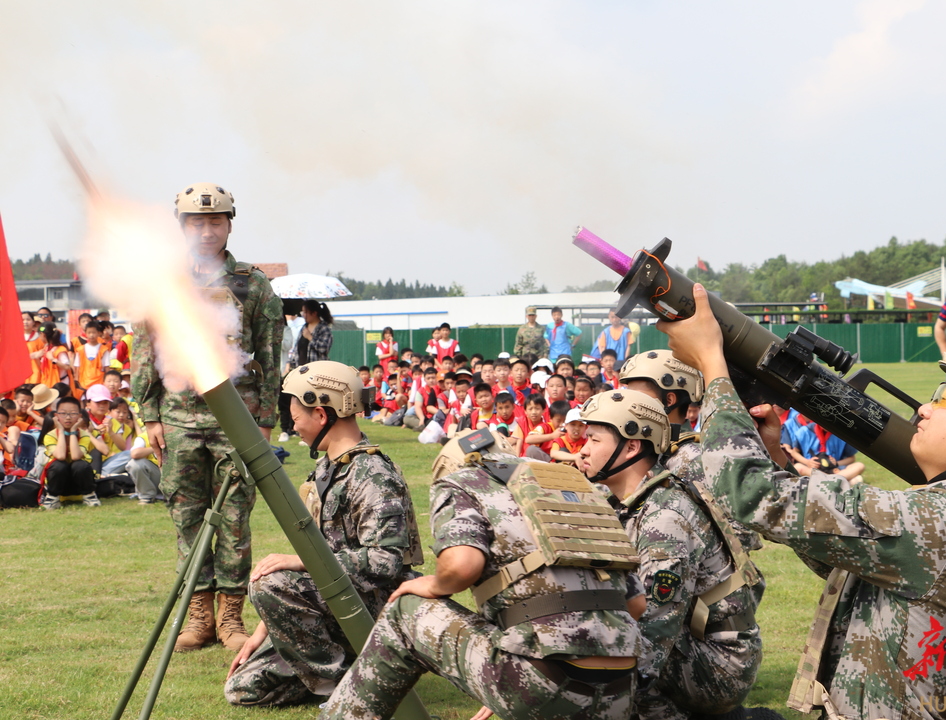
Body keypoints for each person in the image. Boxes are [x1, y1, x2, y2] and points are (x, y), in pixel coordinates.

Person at [661, 282, 946, 720]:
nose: (925, 409)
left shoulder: (943, 521)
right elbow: (844, 556)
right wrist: (779, 463)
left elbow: (748, 493)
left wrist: (712, 364)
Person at [318, 424, 646, 720]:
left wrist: (434, 584)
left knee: (405, 611)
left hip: (542, 680)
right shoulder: (579, 491)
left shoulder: (463, 480)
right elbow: (634, 605)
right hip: (620, 689)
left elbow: (462, 565)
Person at [132, 182, 283, 652]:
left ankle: (231, 618)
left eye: (215, 220)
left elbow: (271, 356)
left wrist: (265, 419)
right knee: (187, 518)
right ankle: (198, 615)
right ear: (182, 227)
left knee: (235, 519)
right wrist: (150, 413)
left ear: (229, 224)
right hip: (178, 421)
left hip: (236, 422)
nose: (206, 230)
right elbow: (146, 351)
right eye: (196, 222)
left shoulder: (253, 284)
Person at [225, 361, 423, 707]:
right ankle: (351, 673)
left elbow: (385, 562)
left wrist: (301, 562)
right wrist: (265, 628)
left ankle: (346, 689)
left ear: (320, 414)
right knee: (244, 688)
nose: (294, 427)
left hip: (374, 604)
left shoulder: (372, 474)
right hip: (334, 602)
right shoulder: (328, 467)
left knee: (270, 582)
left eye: (295, 417)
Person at [611, 354, 766, 717]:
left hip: (702, 619)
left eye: (638, 396)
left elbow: (745, 533)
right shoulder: (650, 455)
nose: (628, 405)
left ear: (668, 401)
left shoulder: (696, 458)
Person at [39, 396, 108, 508]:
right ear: (56, 416)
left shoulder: (84, 435)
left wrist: (72, 431)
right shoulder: (50, 436)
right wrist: (61, 431)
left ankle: (89, 496)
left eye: (73, 413)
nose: (68, 417)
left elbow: (76, 456)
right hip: (59, 485)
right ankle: (53, 498)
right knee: (58, 465)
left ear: (79, 417)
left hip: (79, 485)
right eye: (63, 413)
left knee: (80, 464)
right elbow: (60, 456)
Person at [297, 300, 334, 364]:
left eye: (305, 312)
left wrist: (310, 338)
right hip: (301, 369)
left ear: (314, 313)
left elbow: (323, 348)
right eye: (302, 312)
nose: (303, 315)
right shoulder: (304, 327)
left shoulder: (324, 328)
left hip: (317, 368)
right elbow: (297, 348)